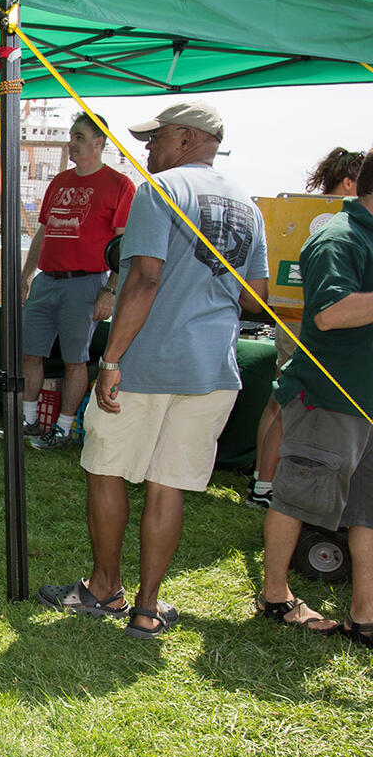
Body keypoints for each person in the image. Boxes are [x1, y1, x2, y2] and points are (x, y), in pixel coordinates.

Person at [38, 101, 269, 639]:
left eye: (156, 137)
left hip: (145, 362)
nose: (147, 148)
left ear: (187, 139)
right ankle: (147, 608)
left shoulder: (159, 190)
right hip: (212, 370)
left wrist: (111, 359)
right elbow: (256, 300)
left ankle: (102, 588)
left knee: (105, 468)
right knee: (169, 486)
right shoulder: (249, 206)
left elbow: (143, 279)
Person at [257, 151, 373, 643]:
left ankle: (365, 617)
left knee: (366, 510)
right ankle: (275, 596)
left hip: (363, 400)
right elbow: (329, 313)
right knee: (297, 498)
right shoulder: (339, 237)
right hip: (329, 397)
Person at [248, 147, 365, 507]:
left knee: (278, 402)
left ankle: (261, 482)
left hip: (290, 318)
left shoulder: (296, 213)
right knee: (291, 406)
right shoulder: (334, 221)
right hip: (310, 325)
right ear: (349, 181)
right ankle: (269, 488)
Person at [16, 112, 135, 450]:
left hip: (86, 284)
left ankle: (64, 429)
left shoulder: (120, 185)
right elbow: (43, 231)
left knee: (74, 360)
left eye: (80, 137)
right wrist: (27, 274)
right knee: (29, 353)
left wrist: (110, 290)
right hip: (47, 280)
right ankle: (29, 420)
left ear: (99, 142)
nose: (73, 143)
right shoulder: (59, 182)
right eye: (72, 136)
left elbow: (123, 246)